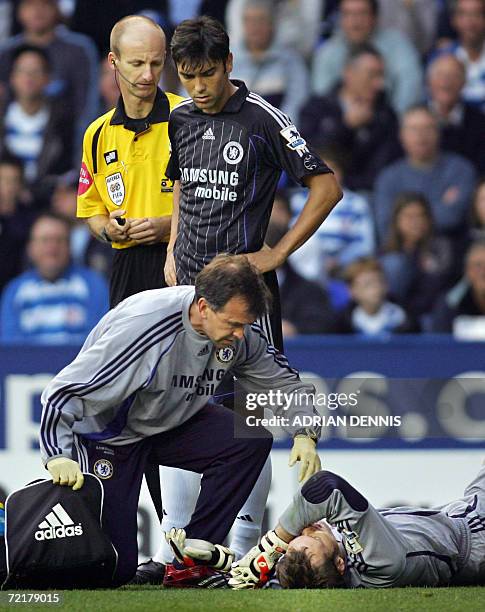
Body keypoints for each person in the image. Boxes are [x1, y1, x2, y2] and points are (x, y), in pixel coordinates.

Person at [145, 14, 341, 581]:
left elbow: (327, 185)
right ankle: (181, 556)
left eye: (207, 74)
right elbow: (181, 184)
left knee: (245, 417)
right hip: (186, 297)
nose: (197, 88)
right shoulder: (179, 117)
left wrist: (277, 254)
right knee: (179, 406)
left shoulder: (263, 120)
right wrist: (173, 249)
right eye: (186, 77)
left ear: (229, 65)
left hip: (245, 300)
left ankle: (248, 551)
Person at [39, 254, 322, 587]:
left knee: (249, 438)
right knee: (114, 568)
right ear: (203, 307)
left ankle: (192, 559)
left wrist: (305, 431)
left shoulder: (237, 328)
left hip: (173, 421)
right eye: (233, 324)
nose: (241, 335)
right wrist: (57, 453)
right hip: (112, 435)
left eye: (245, 324)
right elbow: (64, 391)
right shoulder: (144, 327)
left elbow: (283, 382)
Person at [221, 463, 485, 588]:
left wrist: (226, 568)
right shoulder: (381, 563)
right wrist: (275, 540)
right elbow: (327, 488)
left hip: (460, 515)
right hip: (475, 534)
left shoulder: (322, 576)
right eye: (314, 537)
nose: (307, 528)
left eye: (294, 540)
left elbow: (269, 583)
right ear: (339, 564)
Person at [76, 15, 184, 308]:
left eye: (156, 63)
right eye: (137, 64)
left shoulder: (188, 118)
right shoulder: (97, 134)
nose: (148, 75)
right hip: (126, 263)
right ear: (113, 61)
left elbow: (216, 201)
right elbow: (92, 212)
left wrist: (168, 226)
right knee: (131, 354)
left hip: (184, 257)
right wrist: (109, 230)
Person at [0, 0, 99, 151]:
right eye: (30, 5)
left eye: (45, 4)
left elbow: (87, 107)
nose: (37, 11)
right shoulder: (6, 53)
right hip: (12, 144)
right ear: (19, 11)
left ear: (57, 9)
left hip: (65, 147)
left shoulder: (79, 51)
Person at [300, 44, 401, 192]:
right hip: (315, 191)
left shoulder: (386, 116)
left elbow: (383, 167)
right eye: (372, 75)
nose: (379, 84)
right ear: (348, 73)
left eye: (381, 76)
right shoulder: (316, 108)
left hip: (367, 195)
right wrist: (346, 127)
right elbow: (306, 157)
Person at [374, 105, 476, 245]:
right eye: (413, 129)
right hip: (403, 251)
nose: (420, 135)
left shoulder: (460, 169)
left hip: (451, 248)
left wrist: (406, 219)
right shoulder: (388, 177)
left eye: (427, 128)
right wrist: (439, 206)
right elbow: (385, 226)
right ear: (401, 135)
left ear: (438, 133)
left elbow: (453, 217)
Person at [0, 212, 109, 344]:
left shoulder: (94, 286)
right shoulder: (14, 291)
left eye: (59, 240)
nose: (52, 248)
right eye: (45, 240)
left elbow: (100, 342)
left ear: (70, 246)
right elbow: (10, 350)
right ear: (30, 248)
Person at [311, 0, 424, 116]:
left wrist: (392, 122)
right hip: (339, 123)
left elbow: (410, 88)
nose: (355, 22)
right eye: (347, 14)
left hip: (389, 123)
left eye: (361, 14)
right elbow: (322, 97)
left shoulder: (398, 45)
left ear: (375, 17)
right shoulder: (327, 52)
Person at [0, 44, 73, 192]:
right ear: (12, 77)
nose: (29, 77)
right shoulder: (2, 115)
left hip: (45, 200)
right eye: (22, 71)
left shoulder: (62, 120)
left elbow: (67, 170)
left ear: (48, 78)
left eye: (36, 71)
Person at [231, 0, 310, 122]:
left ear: (272, 24)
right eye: (250, 21)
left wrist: (276, 132)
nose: (255, 27)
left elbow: (297, 103)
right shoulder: (228, 59)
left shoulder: (291, 61)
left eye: (260, 20)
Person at [380, 192, 454, 321]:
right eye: (409, 216)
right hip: (395, 314)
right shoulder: (386, 252)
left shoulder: (440, 247)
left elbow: (438, 290)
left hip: (430, 313)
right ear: (397, 220)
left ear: (429, 219)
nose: (416, 222)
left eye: (421, 216)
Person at [427, 53, 485, 173]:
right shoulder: (415, 118)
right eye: (440, 75)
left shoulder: (480, 123)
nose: (446, 81)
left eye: (453, 76)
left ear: (464, 83)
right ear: (429, 81)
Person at [337, 258, 417, 336]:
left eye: (380, 282)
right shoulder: (341, 325)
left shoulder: (404, 320)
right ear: (352, 290)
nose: (376, 288)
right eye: (368, 284)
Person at [433, 0, 485, 113]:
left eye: (477, 14)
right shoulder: (441, 56)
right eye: (464, 14)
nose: (470, 22)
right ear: (454, 20)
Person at [431, 239, 485, 337]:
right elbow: (439, 344)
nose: (483, 272)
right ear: (468, 271)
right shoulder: (450, 303)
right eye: (478, 265)